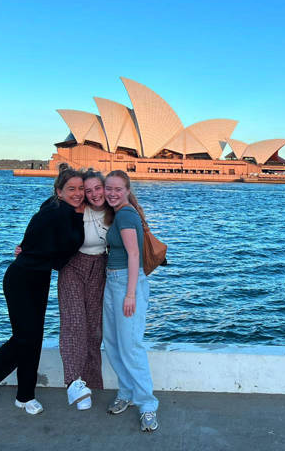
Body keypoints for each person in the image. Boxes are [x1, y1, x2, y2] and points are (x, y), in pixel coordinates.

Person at [0, 164, 85, 415]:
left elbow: (44, 246)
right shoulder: (60, 212)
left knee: (33, 339)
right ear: (59, 191)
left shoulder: (52, 207)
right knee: (25, 338)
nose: (78, 193)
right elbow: (70, 246)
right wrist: (79, 214)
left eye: (81, 189)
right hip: (22, 279)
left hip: (36, 277)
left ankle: (25, 395)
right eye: (71, 189)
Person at [103, 170, 159, 432]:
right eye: (108, 188)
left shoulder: (125, 214)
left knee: (130, 346)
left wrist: (129, 294)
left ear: (127, 190)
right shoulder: (118, 213)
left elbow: (134, 255)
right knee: (113, 342)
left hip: (126, 282)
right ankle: (126, 391)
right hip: (113, 281)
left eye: (117, 189)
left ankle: (147, 405)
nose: (112, 193)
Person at [58, 168, 114, 410]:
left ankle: (93, 384)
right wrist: (27, 246)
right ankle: (73, 382)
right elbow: (46, 220)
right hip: (73, 266)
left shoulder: (115, 212)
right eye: (87, 190)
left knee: (94, 330)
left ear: (105, 188)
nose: (92, 194)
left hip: (100, 268)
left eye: (96, 188)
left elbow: (137, 230)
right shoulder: (76, 210)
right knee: (74, 323)